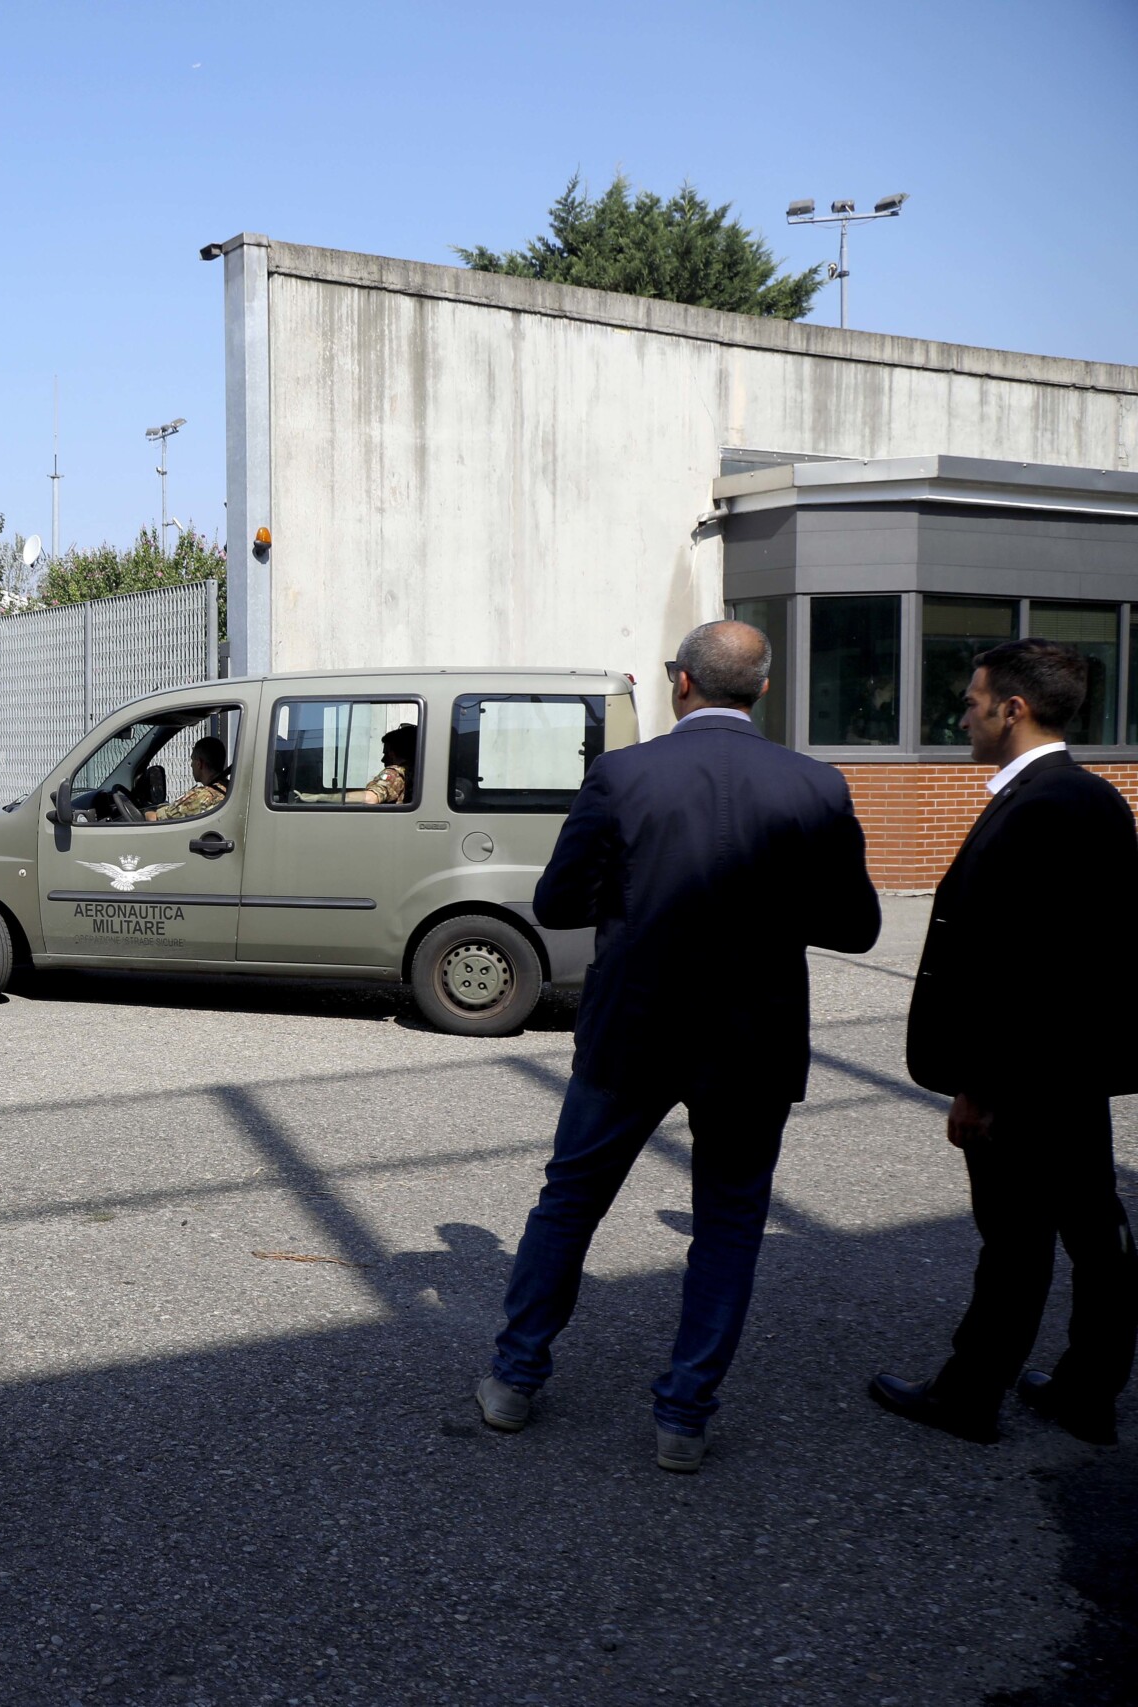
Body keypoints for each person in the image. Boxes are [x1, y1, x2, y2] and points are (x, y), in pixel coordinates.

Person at [476, 620, 880, 1472]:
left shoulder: (623, 774)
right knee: (730, 1225)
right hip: (755, 1037)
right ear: (762, 689)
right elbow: (857, 923)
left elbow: (556, 903)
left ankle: (514, 1381)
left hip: (635, 1026)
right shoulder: (815, 783)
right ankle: (683, 1420)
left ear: (681, 683)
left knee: (572, 1200)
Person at [870, 639, 1138, 1447]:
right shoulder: (1093, 796)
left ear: (1013, 709)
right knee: (1093, 1230)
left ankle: (969, 1393)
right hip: (1071, 1065)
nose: (963, 714)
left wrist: (979, 1087)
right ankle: (1089, 1392)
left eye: (973, 699)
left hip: (1025, 1073)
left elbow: (1025, 965)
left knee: (1018, 1239)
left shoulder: (1044, 804)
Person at [145, 736, 231, 821]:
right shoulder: (229, 788)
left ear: (199, 764)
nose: (191, 765)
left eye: (192, 760)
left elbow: (155, 818)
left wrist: (145, 812)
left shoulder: (202, 796)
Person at [359, 724, 416, 805]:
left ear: (397, 753)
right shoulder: (416, 773)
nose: (383, 760)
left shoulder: (395, 773)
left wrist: (339, 797)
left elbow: (370, 798)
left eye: (387, 754)